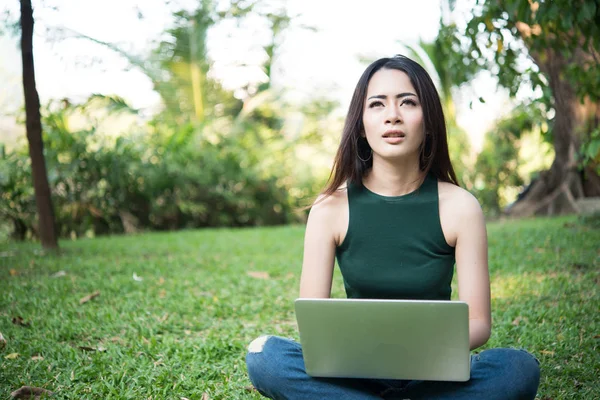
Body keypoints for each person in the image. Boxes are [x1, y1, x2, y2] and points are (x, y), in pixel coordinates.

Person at [245, 55, 540, 399]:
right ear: (360, 124)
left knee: (518, 368)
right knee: (264, 356)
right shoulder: (330, 209)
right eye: (377, 104)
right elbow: (314, 325)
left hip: (435, 374)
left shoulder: (461, 207)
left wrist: (413, 346)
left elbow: (478, 324)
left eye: (408, 102)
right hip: (356, 374)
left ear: (428, 121)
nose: (392, 115)